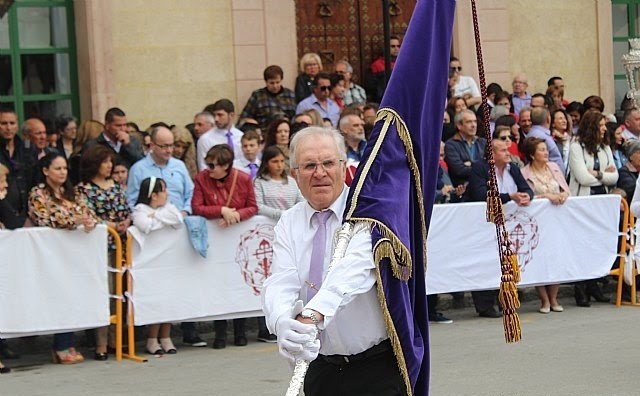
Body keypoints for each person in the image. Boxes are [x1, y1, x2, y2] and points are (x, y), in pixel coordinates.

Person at [262, 127, 403, 395]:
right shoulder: (289, 222)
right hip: (320, 369)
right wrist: (281, 321)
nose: (319, 173)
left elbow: (353, 272)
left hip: (377, 367)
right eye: (309, 165)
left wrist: (312, 316)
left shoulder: (367, 211)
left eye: (328, 163)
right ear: (295, 174)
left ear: (343, 166)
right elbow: (281, 280)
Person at [28, 152, 99, 364]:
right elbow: (42, 217)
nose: (62, 172)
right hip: (49, 254)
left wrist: (87, 221)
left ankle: (65, 343)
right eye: (57, 168)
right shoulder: (38, 193)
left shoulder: (73, 192)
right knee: (55, 296)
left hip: (74, 254)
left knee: (71, 295)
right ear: (45, 171)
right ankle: (56, 344)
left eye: (65, 168)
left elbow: (89, 212)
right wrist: (72, 220)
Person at [192, 144, 258, 349]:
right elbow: (196, 207)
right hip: (216, 241)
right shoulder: (202, 178)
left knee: (238, 283)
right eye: (208, 164)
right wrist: (221, 210)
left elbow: (253, 206)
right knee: (217, 285)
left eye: (213, 165)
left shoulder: (244, 179)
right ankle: (220, 333)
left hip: (237, 239)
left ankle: (240, 331)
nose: (209, 168)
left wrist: (237, 215)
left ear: (226, 165)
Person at [76, 144, 131, 360]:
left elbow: (127, 209)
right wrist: (108, 224)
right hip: (100, 247)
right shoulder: (84, 189)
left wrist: (126, 221)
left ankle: (116, 340)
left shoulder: (116, 186)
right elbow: (87, 214)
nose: (109, 166)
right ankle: (100, 342)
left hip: (121, 246)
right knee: (105, 293)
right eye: (105, 162)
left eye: (111, 162)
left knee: (121, 293)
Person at [466, 139, 533, 317]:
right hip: (484, 222)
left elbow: (527, 188)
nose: (508, 153)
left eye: (507, 149)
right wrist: (509, 196)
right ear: (492, 154)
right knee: (484, 261)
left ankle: (505, 299)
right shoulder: (480, 168)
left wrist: (527, 196)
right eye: (503, 150)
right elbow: (481, 193)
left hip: (508, 224)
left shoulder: (513, 168)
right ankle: (485, 305)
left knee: (505, 261)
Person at [568, 110, 617, 306]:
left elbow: (615, 177)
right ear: (592, 127)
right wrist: (603, 174)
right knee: (582, 244)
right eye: (602, 125)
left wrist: (597, 173)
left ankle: (594, 284)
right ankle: (581, 289)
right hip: (583, 201)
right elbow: (581, 177)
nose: (605, 129)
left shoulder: (605, 148)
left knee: (598, 244)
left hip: (601, 200)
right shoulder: (576, 148)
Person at [131, 177, 183, 356]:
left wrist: (157, 216)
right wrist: (160, 219)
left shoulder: (167, 207)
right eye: (163, 190)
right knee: (155, 300)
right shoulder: (140, 209)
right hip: (149, 264)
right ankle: (152, 339)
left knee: (168, 297)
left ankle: (166, 337)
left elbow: (177, 218)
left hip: (168, 263)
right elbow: (145, 225)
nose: (167, 194)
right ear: (153, 195)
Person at [521, 137, 570, 313]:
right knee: (539, 258)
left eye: (546, 149)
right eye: (541, 150)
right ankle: (544, 299)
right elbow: (526, 196)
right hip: (537, 221)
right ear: (532, 155)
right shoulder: (525, 172)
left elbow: (565, 188)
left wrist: (563, 195)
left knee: (556, 256)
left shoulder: (554, 168)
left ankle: (554, 297)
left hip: (556, 219)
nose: (546, 152)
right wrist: (547, 197)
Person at [0, 108, 35, 229]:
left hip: (25, 212)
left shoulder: (27, 148)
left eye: (12, 123)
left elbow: (34, 178)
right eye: (4, 123)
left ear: (17, 125)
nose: (8, 128)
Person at [444, 109, 487, 202]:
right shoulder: (451, 145)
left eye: (475, 121)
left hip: (483, 188)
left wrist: (471, 164)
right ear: (459, 125)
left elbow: (488, 166)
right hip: (463, 191)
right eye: (469, 122)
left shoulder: (482, 142)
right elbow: (459, 170)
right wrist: (480, 168)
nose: (473, 125)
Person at [239, 65, 297, 129]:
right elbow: (244, 118)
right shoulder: (257, 96)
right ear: (266, 82)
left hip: (286, 132)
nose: (275, 86)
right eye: (271, 83)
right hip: (265, 132)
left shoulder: (290, 95)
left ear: (281, 80)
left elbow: (295, 117)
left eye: (277, 82)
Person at [196, 100, 244, 171]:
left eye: (220, 115)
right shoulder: (205, 139)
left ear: (231, 115)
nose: (216, 119)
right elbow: (203, 167)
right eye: (214, 115)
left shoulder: (241, 136)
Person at [525, 107, 565, 174]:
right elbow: (555, 159)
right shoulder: (542, 137)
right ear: (548, 119)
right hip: (549, 178)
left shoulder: (530, 134)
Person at [367, 36, 401, 102]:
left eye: (398, 46)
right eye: (393, 46)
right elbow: (371, 86)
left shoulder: (403, 63)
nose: (396, 49)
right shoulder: (376, 65)